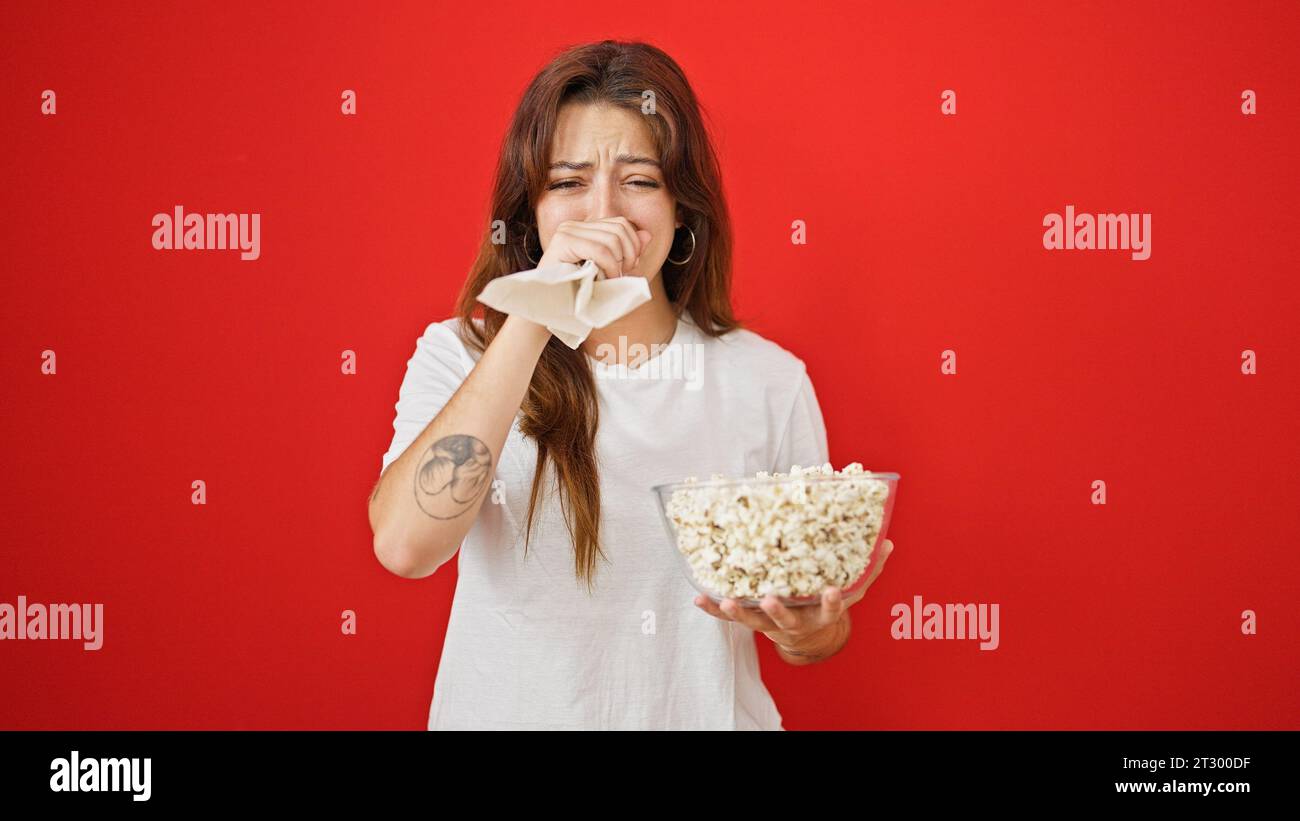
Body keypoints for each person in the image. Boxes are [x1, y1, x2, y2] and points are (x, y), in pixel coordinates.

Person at [367, 40, 894, 730]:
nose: (604, 212)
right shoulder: (462, 355)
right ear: (530, 214)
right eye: (567, 182)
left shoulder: (767, 380)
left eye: (639, 180)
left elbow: (813, 624)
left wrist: (808, 630)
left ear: (683, 213)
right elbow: (405, 546)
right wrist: (535, 314)